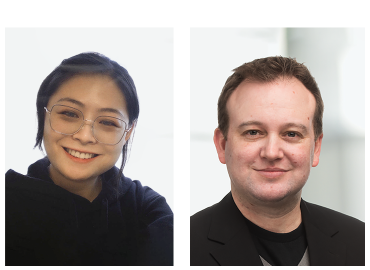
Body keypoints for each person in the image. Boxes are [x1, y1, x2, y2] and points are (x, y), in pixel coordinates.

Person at [190, 56, 364, 266]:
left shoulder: (358, 243)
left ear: (316, 148)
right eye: (253, 132)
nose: (271, 152)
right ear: (222, 145)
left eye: (291, 134)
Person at [6, 52, 174, 266]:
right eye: (69, 113)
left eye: (107, 122)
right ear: (44, 114)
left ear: (128, 132)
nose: (84, 136)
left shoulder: (147, 210)